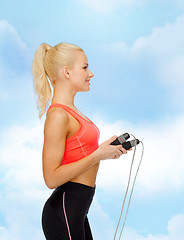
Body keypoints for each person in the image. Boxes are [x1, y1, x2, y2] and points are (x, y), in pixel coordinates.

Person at [32, 42, 128, 240]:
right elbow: (51, 178)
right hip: (64, 212)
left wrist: (105, 152)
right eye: (85, 67)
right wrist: (97, 155)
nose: (90, 73)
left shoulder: (73, 112)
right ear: (66, 72)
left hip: (77, 212)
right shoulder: (58, 115)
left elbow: (81, 153)